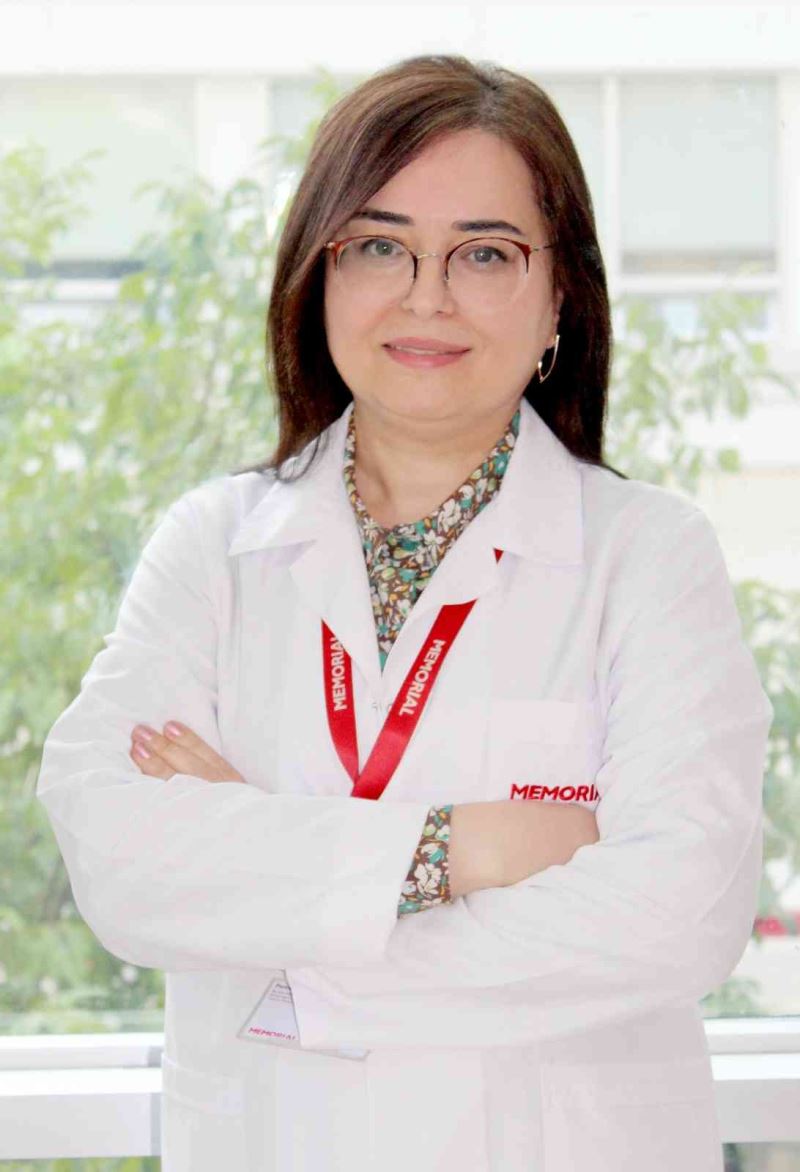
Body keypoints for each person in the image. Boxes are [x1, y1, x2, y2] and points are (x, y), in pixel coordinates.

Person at [36, 54, 773, 1172]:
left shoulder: (649, 557)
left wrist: (289, 939)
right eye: (379, 246)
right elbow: (118, 854)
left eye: (484, 252)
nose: (426, 296)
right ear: (318, 276)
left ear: (559, 296)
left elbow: (681, 909)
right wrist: (456, 846)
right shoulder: (214, 547)